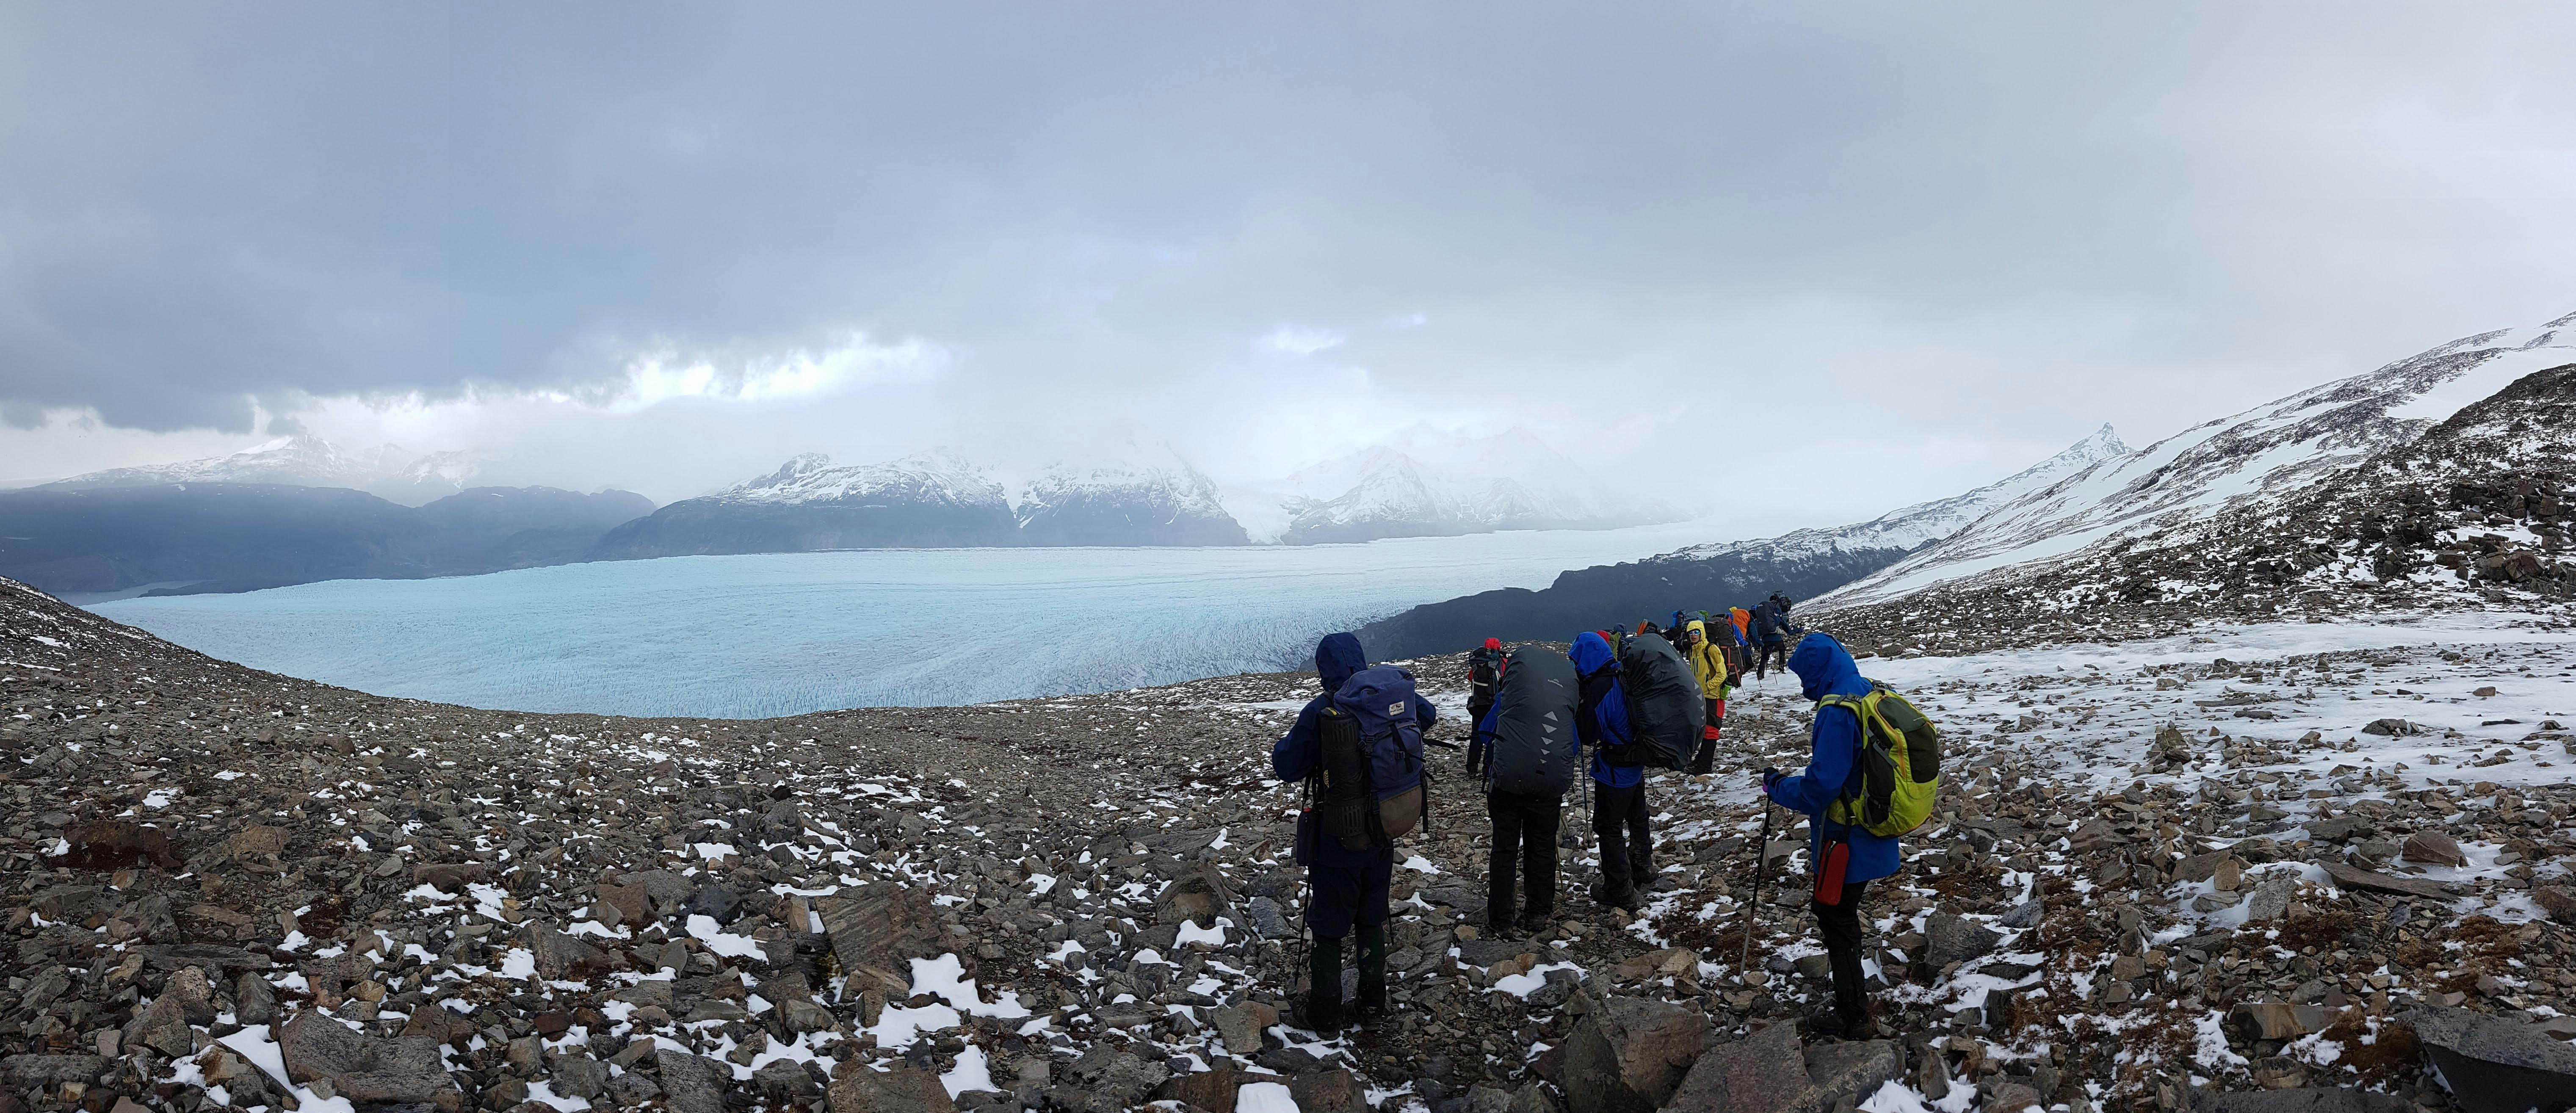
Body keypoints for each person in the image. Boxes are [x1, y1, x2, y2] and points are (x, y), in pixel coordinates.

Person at [1272, 632, 1438, 1032]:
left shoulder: (1323, 710)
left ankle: (1325, 1011)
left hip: (1337, 837)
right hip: (1384, 827)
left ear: (1324, 669)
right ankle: (1372, 1003)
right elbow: (1427, 715)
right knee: (1370, 914)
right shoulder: (1385, 697)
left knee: (1329, 923)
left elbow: (1286, 765)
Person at [1761, 632, 1901, 1039]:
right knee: (1840, 913)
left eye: (1806, 675)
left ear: (1820, 670)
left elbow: (1821, 787)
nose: (1804, 685)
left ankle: (1854, 1015)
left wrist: (1778, 786)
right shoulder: (1866, 690)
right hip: (1871, 829)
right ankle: (1852, 999)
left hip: (1846, 838)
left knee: (1835, 915)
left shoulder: (1838, 709)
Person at [1474, 647, 1574, 939]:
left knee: (1505, 849)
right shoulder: (1560, 706)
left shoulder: (1507, 700)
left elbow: (1484, 733)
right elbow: (1573, 744)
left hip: (1507, 786)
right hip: (1547, 788)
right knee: (1541, 847)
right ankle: (1538, 912)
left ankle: (1501, 918)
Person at [1569, 632, 1651, 911]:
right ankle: (1643, 867)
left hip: (1615, 770)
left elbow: (1588, 733)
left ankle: (1620, 890)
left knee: (1608, 827)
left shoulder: (1601, 687)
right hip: (1636, 762)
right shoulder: (1623, 675)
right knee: (1638, 817)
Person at [1678, 618, 1729, 774]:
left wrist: (1708, 686)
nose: (1693, 635)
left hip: (1713, 696)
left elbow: (1722, 673)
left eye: (1696, 632)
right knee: (1704, 728)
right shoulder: (1694, 650)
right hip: (1701, 696)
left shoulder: (1711, 649)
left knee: (1711, 729)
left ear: (1702, 633)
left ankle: (1705, 765)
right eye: (1691, 633)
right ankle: (1701, 760)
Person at [1464, 637, 1506, 774]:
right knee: (1492, 734)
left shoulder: (1477, 663)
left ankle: (1472, 767)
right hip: (1493, 705)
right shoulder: (1502, 662)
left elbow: (1471, 678)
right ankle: (1488, 768)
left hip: (1477, 704)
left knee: (1476, 734)